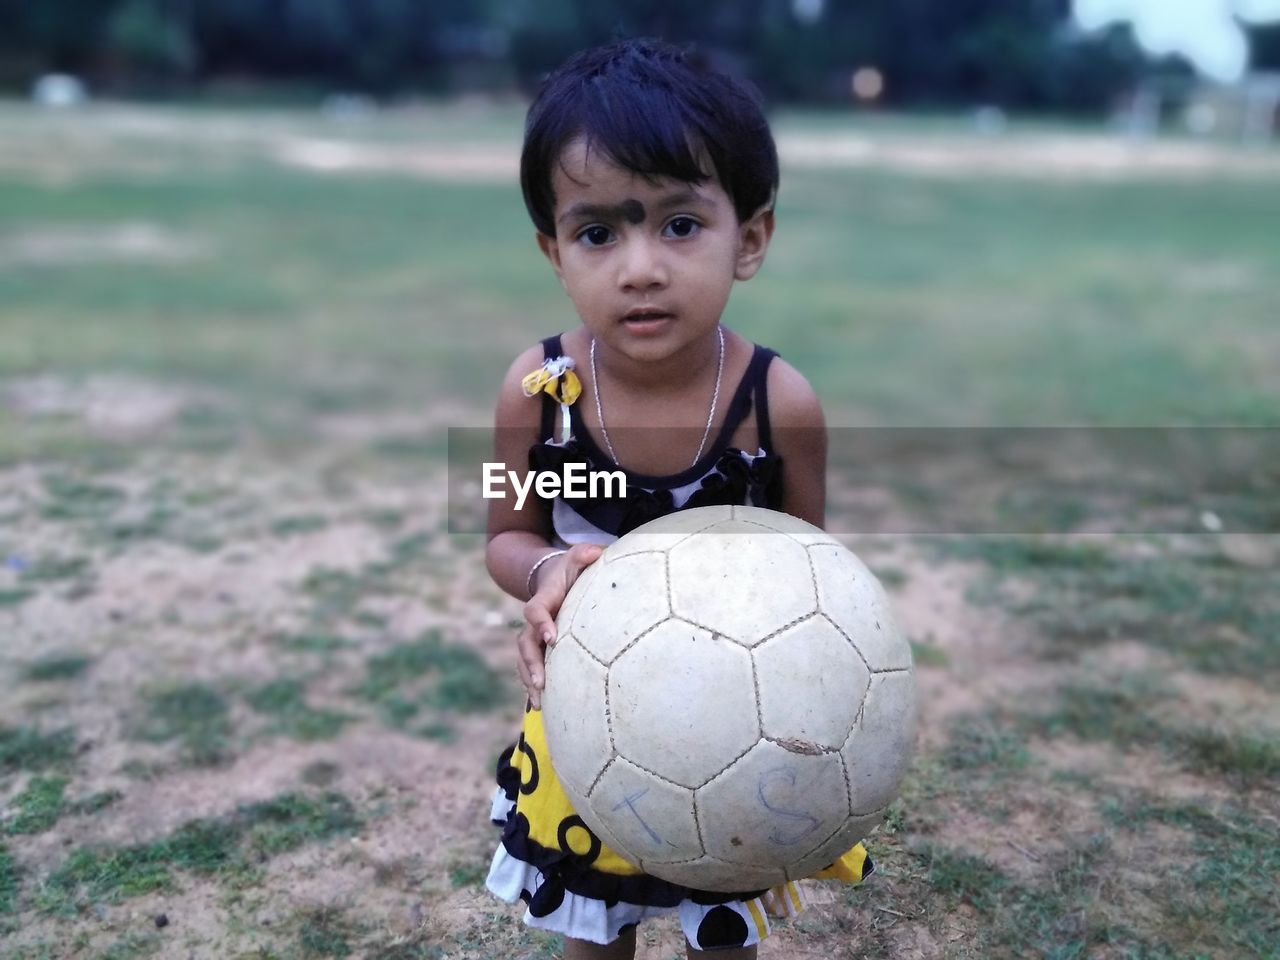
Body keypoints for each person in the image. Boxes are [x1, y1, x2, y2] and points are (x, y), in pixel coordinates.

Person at [483, 38, 872, 959]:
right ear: (553, 252)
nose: (641, 268)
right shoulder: (538, 395)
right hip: (592, 714)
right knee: (593, 923)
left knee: (719, 926)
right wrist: (549, 572)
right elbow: (506, 535)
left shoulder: (777, 407)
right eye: (598, 233)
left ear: (752, 238)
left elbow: (806, 573)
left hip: (733, 718)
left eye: (680, 225)